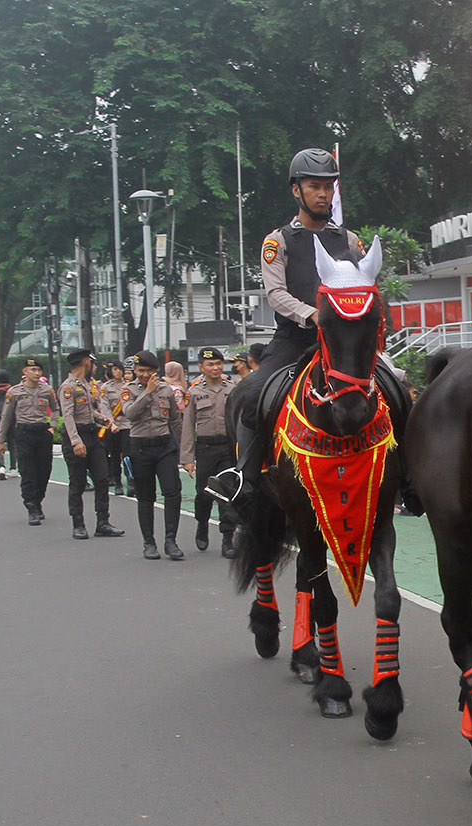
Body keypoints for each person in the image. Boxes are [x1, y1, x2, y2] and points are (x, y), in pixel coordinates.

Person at [207, 148, 363, 507]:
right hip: (295, 340)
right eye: (314, 186)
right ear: (297, 190)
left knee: (397, 387)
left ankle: (408, 477)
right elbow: (275, 294)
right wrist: (312, 314)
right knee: (250, 395)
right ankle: (242, 475)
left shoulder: (349, 241)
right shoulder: (277, 241)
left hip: (344, 343)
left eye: (329, 187)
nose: (323, 194)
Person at [124, 350, 184, 559]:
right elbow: (130, 414)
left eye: (149, 371)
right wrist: (147, 393)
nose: (144, 375)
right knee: (146, 496)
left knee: (172, 492)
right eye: (141, 371)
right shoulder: (129, 390)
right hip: (140, 446)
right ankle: (149, 542)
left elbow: (176, 421)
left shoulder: (166, 390)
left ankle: (171, 541)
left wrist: (184, 451)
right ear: (134, 370)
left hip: (164, 446)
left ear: (156, 372)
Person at [58, 349, 123, 540]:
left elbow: (88, 411)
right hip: (76, 437)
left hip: (92, 436)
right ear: (86, 362)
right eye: (92, 363)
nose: (94, 367)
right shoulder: (68, 387)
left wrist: (103, 419)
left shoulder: (86, 385)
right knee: (77, 482)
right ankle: (78, 524)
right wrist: (76, 441)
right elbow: (68, 416)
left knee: (102, 479)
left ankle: (103, 522)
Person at [181, 347, 236, 557]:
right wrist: (187, 458)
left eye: (219, 364)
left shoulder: (232, 389)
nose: (215, 368)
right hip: (205, 448)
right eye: (211, 364)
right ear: (202, 367)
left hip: (227, 448)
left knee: (227, 493)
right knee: (204, 493)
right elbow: (188, 426)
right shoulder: (194, 392)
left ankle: (227, 538)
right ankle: (202, 524)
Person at [0, 357, 59, 525]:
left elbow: (55, 409)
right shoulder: (14, 392)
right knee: (27, 471)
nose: (37, 373)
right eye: (33, 370)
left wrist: (52, 426)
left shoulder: (47, 390)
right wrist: (1, 440)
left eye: (39, 370)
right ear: (25, 372)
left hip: (42, 432)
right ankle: (31, 506)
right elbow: (6, 417)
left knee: (44, 471)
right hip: (24, 433)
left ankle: (38, 501)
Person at [98, 361, 132, 496]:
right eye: (115, 369)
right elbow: (104, 407)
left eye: (120, 369)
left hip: (128, 424)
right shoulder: (105, 388)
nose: (118, 372)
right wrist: (111, 423)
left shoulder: (129, 386)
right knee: (115, 455)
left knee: (128, 455)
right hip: (113, 426)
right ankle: (117, 482)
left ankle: (130, 480)